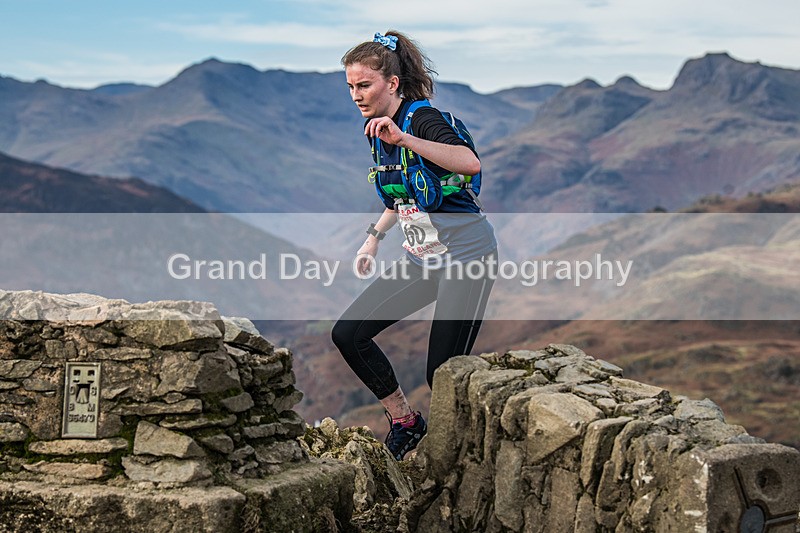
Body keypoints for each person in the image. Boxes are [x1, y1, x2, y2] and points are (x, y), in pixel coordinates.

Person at [331, 30, 497, 461]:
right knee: (349, 334)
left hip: (467, 257)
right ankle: (405, 421)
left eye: (363, 85)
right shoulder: (374, 131)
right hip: (423, 260)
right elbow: (401, 196)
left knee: (442, 375)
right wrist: (372, 240)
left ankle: (460, 455)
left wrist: (402, 138)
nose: (355, 95)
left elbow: (468, 162)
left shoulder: (423, 120)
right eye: (350, 86)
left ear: (393, 84)